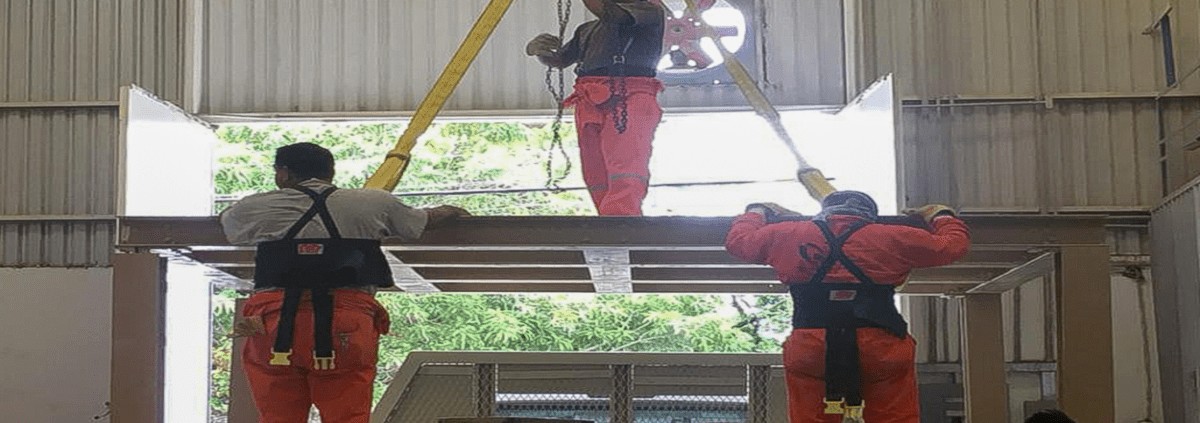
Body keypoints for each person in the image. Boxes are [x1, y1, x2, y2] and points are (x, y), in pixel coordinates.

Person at [220, 142, 469, 423]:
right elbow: (422, 222)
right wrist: (450, 210)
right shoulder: (373, 202)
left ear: (284, 174)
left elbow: (228, 224)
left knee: (278, 416)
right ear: (331, 172)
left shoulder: (256, 206)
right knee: (347, 416)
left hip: (273, 324)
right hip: (346, 321)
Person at [724, 192, 971, 422]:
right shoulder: (893, 236)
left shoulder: (788, 234)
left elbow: (739, 242)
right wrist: (941, 215)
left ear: (826, 211)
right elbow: (952, 246)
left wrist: (757, 211)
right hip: (881, 346)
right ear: (869, 215)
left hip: (812, 345)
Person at [525, 0, 665, 216]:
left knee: (625, 161)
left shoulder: (649, 11)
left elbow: (614, 15)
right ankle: (606, 215)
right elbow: (561, 59)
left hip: (631, 93)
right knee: (594, 167)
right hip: (589, 96)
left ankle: (622, 216)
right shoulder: (587, 30)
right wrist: (539, 51)